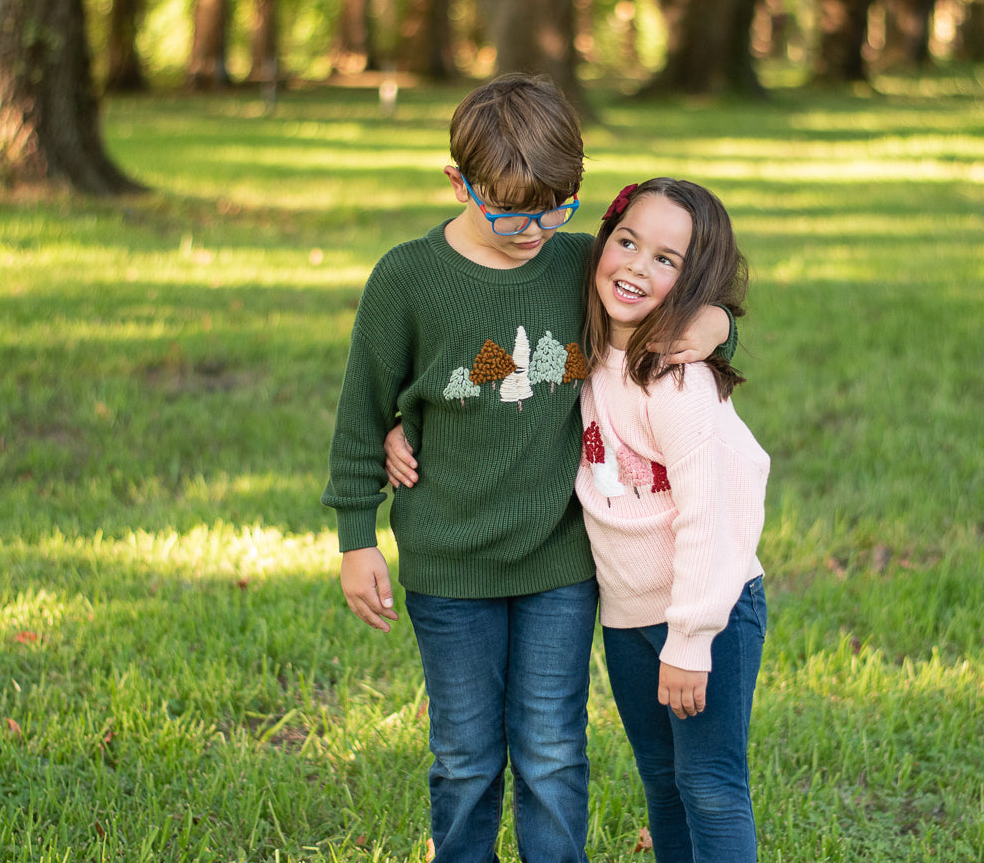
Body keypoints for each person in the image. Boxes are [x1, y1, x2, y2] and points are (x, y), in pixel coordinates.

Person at [322, 74, 731, 863]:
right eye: (510, 209)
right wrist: (356, 535)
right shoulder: (405, 279)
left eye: (558, 207)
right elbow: (361, 414)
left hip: (559, 563)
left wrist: (712, 322)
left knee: (551, 752)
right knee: (468, 758)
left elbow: (676, 307)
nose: (533, 228)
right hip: (448, 566)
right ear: (457, 182)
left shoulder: (578, 261)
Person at [576, 177, 768, 863]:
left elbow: (712, 516)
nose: (634, 265)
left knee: (709, 784)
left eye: (666, 260)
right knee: (663, 783)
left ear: (696, 284)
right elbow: (491, 376)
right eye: (626, 241)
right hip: (627, 617)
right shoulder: (583, 350)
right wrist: (405, 426)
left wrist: (690, 639)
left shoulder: (677, 380)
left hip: (706, 614)